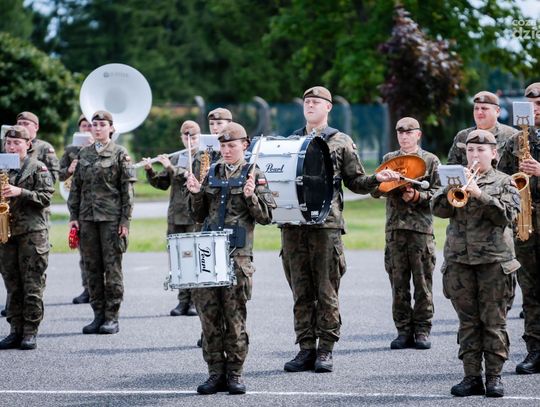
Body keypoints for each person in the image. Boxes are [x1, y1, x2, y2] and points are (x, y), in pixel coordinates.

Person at [281, 86, 400, 373]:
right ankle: (305, 348)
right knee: (300, 291)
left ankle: (325, 349)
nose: (310, 105)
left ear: (328, 107)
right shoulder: (290, 142)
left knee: (326, 290)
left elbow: (355, 181)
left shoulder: (341, 141)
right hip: (294, 225)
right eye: (307, 102)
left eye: (316, 102)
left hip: (326, 225)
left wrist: (376, 179)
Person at [186, 122, 275, 395]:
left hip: (237, 257)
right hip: (209, 255)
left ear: (244, 146)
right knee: (209, 317)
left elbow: (266, 217)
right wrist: (195, 194)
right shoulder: (211, 172)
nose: (226, 150)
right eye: (223, 146)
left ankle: (235, 373)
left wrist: (251, 197)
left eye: (232, 146)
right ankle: (215, 373)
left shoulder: (254, 173)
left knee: (234, 318)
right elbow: (198, 215)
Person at [432, 130, 520, 398]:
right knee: (468, 323)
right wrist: (450, 189)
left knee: (493, 322)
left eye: (481, 150)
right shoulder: (457, 178)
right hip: (460, 261)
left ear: (494, 153)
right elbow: (438, 210)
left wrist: (480, 194)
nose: (474, 155)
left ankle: (494, 377)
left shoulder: (505, 181)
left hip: (494, 263)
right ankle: (471, 377)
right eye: (470, 150)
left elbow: (507, 216)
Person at [372, 117, 440, 350]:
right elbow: (375, 189)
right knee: (398, 283)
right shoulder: (389, 159)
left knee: (422, 283)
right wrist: (385, 185)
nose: (404, 136)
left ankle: (422, 330)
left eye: (409, 132)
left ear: (418, 134)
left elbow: (439, 194)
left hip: (421, 231)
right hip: (395, 230)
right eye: (400, 132)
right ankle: (403, 331)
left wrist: (417, 196)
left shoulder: (430, 160)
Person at [67, 110, 136, 335]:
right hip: (87, 219)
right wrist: (73, 217)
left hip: (111, 220)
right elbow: (75, 188)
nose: (97, 128)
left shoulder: (120, 153)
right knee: (92, 268)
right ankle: (98, 315)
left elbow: (127, 191)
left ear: (111, 128)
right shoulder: (84, 153)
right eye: (94, 125)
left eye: (102, 125)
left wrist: (125, 221)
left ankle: (112, 317)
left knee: (112, 268)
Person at [498, 82, 540, 375]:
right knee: (531, 290)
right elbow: (501, 176)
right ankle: (535, 350)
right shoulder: (516, 140)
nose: (536, 109)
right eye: (532, 104)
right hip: (526, 222)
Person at [0, 126, 55, 350]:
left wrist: (20, 192)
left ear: (27, 144)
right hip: (6, 233)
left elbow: (46, 197)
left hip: (32, 234)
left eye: (17, 143)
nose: (12, 147)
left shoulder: (37, 167)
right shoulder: (2, 166)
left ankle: (30, 332)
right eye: (8, 143)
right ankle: (15, 330)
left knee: (32, 285)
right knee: (12, 285)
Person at [143, 120, 202, 317]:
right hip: (176, 216)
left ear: (199, 137)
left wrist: (170, 167)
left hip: (194, 216)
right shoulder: (176, 157)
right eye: (186, 137)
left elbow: (190, 176)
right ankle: (182, 300)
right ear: (181, 138)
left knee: (193, 259)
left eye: (193, 137)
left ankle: (194, 301)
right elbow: (162, 184)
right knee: (178, 260)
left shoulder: (204, 157)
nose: (189, 140)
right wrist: (150, 170)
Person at [59, 114, 94, 304]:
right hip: (79, 206)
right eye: (84, 126)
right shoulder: (70, 150)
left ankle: (102, 290)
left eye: (90, 126)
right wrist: (69, 170)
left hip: (99, 206)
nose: (87, 129)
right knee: (84, 252)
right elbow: (59, 175)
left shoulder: (103, 148)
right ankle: (87, 288)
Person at [447, 91, 517, 167]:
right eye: (476, 108)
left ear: (497, 111)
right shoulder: (462, 136)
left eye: (484, 108)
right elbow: (451, 168)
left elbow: (520, 169)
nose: (479, 112)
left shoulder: (512, 135)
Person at [16, 111, 60, 184]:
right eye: (19, 124)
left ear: (36, 127)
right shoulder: (10, 146)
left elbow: (53, 176)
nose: (22, 127)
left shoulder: (45, 147)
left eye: (26, 124)